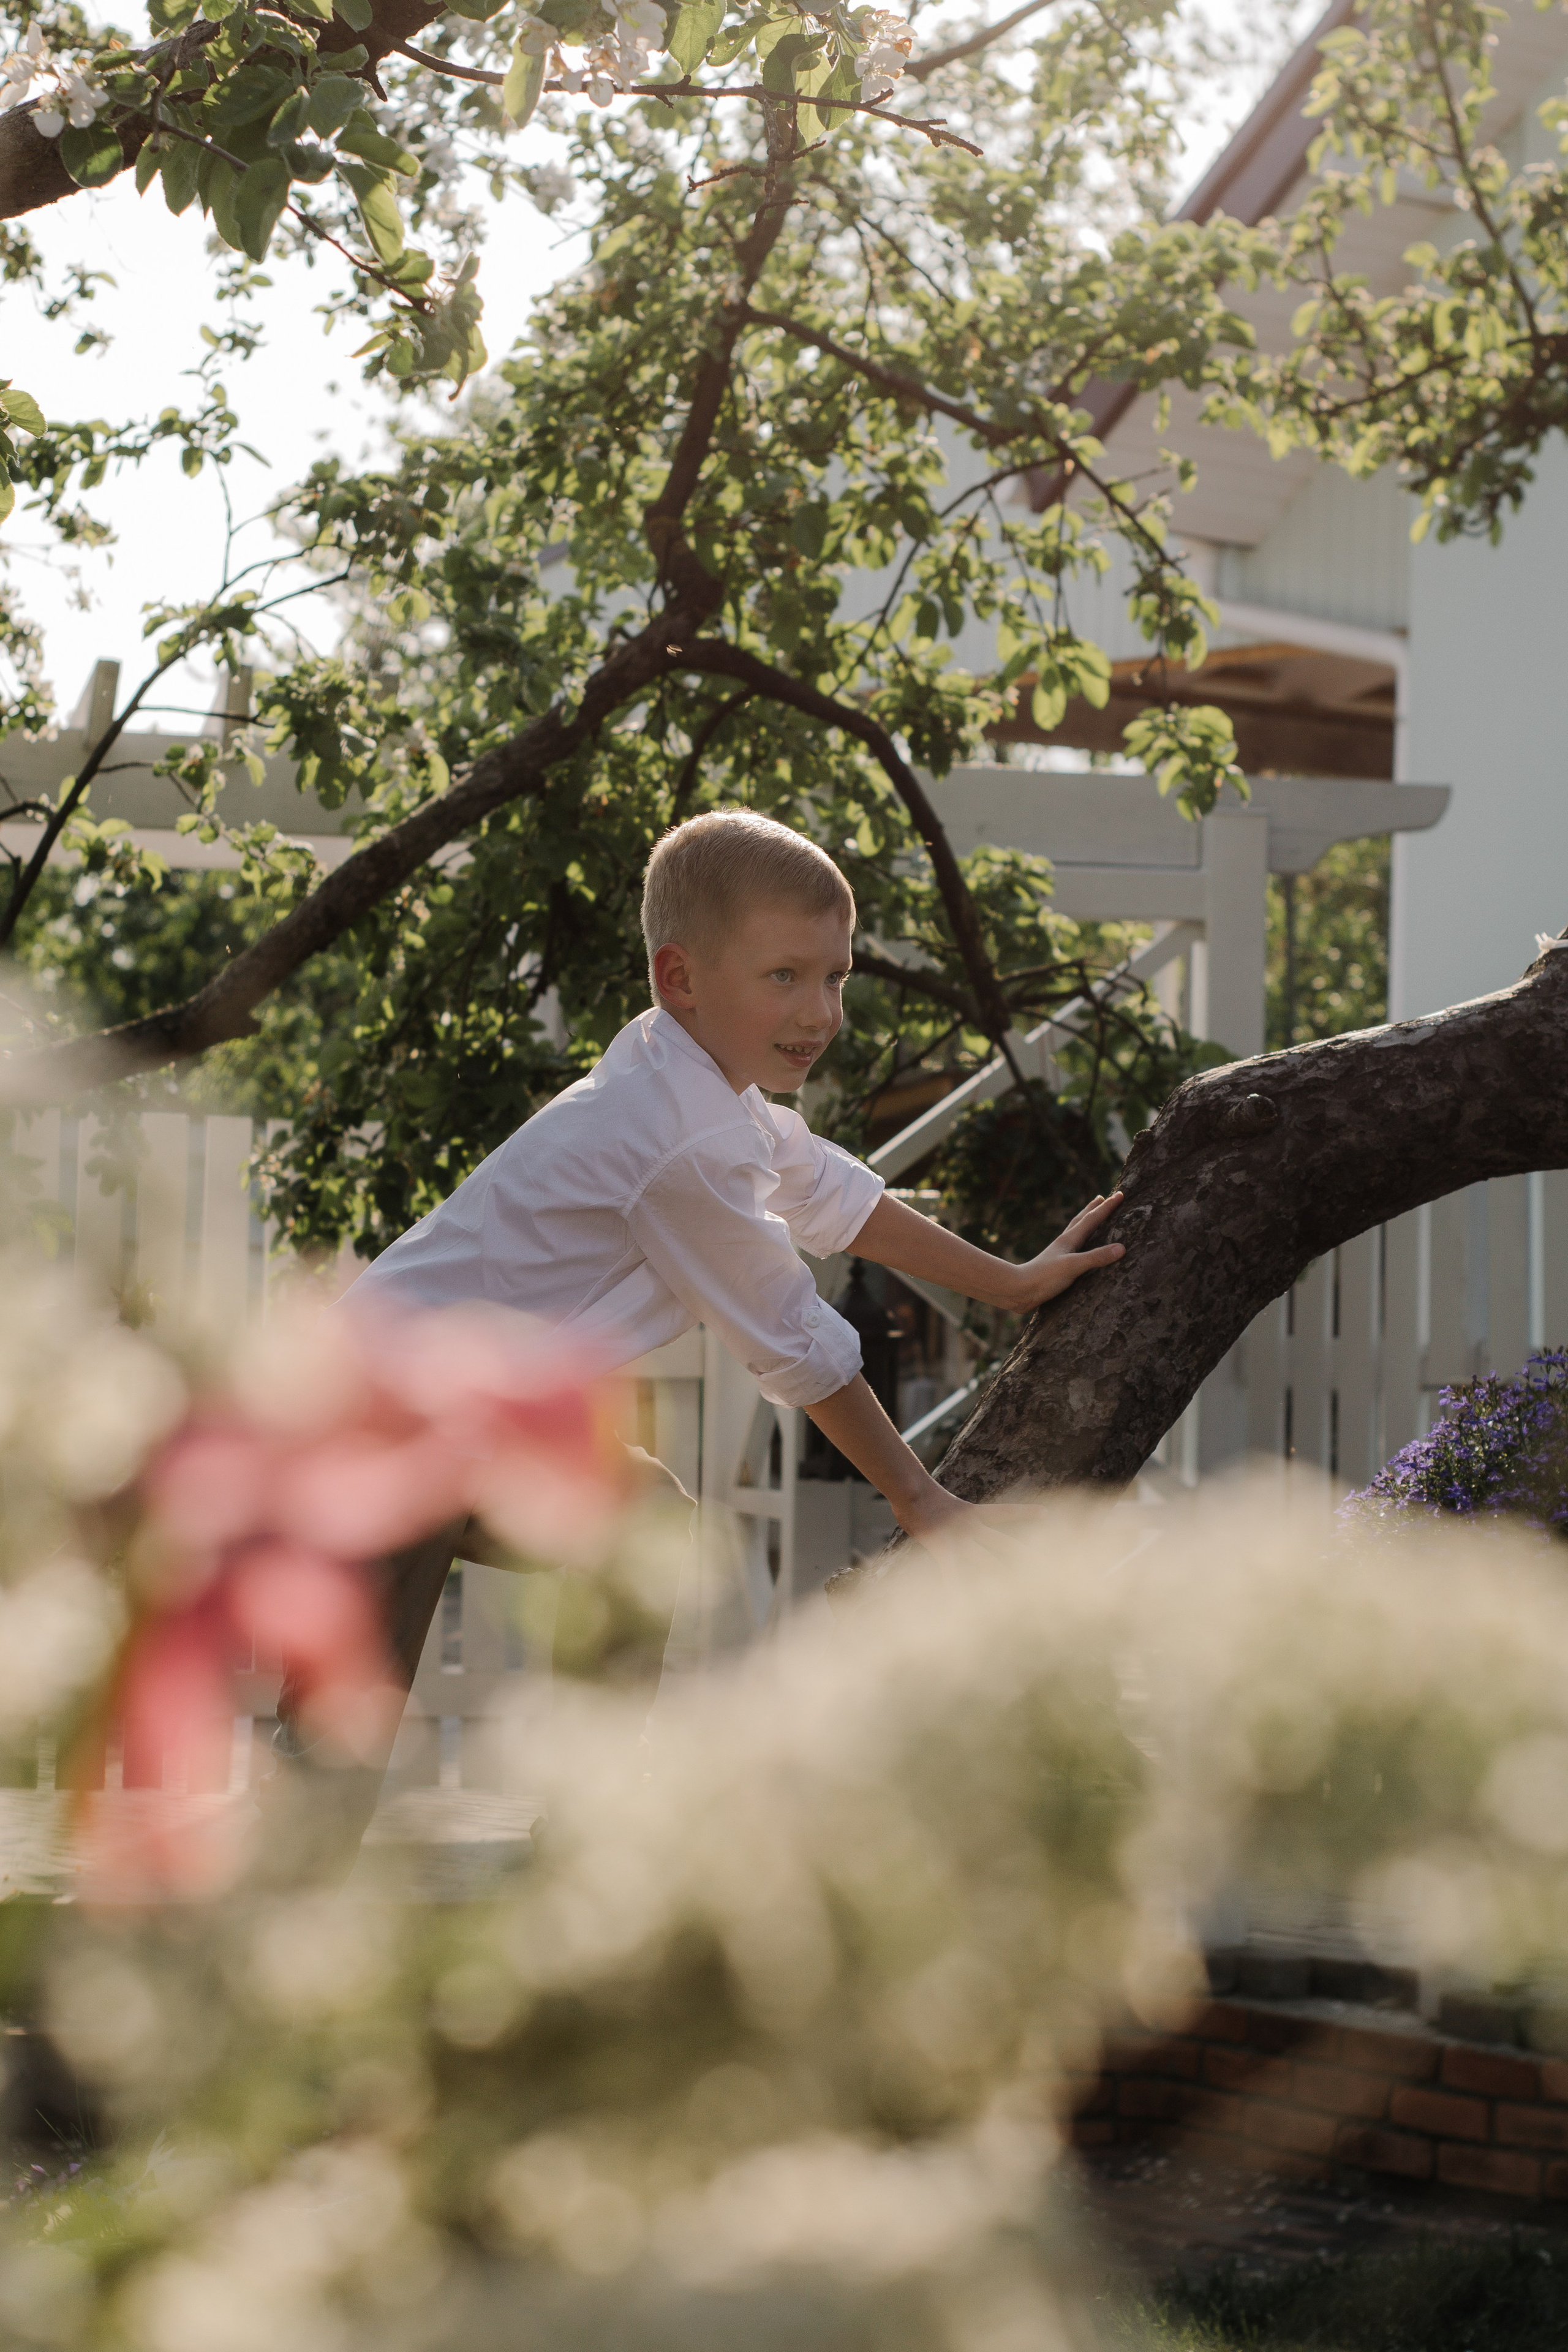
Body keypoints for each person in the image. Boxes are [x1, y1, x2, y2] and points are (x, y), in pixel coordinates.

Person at [275, 809, 1124, 1848]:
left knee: (643, 1527)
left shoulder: (690, 1080)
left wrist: (1011, 1283)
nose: (820, 1011)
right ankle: (268, 1906)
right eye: (784, 977)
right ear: (681, 979)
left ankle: (583, 1832)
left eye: (836, 977)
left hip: (464, 1419)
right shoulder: (677, 1138)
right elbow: (793, 1337)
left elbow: (833, 1196)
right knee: (345, 1715)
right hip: (377, 1414)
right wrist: (922, 1499)